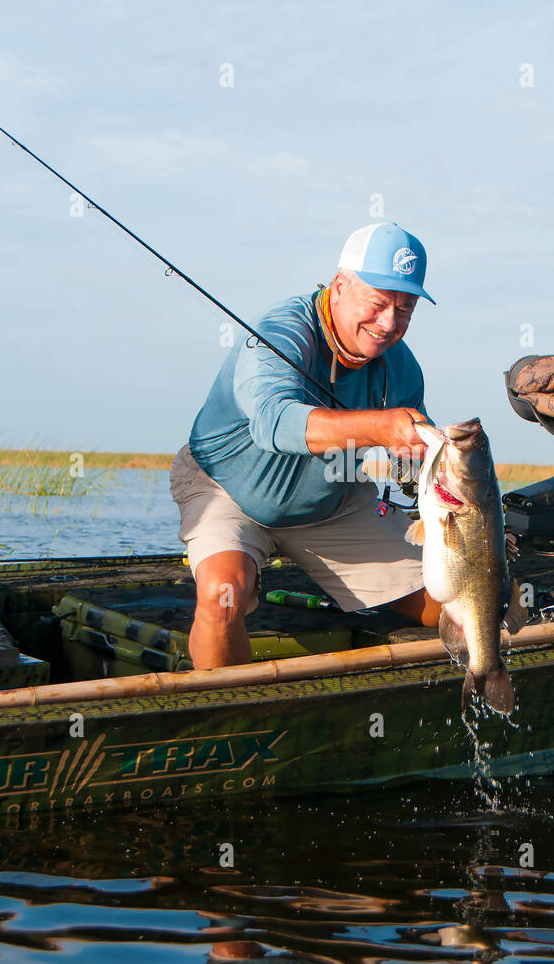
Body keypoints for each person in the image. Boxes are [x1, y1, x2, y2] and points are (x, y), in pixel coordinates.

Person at [169, 222, 441, 668]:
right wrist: (379, 428)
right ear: (339, 286)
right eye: (377, 304)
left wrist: (425, 465)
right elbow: (273, 422)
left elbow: (409, 460)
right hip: (227, 490)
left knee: (447, 599)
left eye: (405, 309)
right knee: (223, 597)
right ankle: (235, 726)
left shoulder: (402, 367)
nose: (389, 323)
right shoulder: (282, 331)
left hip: (331, 500)